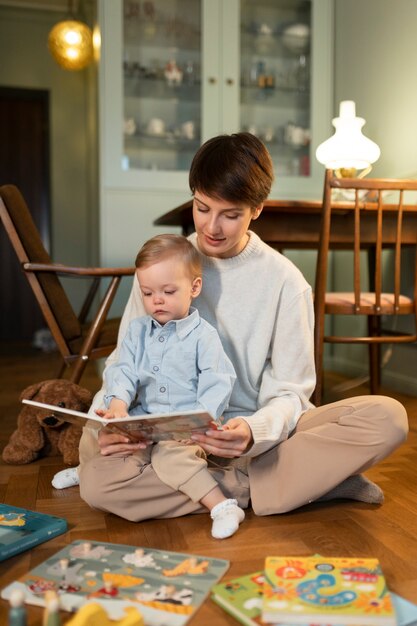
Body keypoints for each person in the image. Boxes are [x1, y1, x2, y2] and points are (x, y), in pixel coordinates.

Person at [57, 132, 407, 525]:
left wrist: (252, 431)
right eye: (202, 207)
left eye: (231, 214)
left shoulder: (286, 283)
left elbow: (292, 392)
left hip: (245, 433)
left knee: (388, 417)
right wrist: (112, 418)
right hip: (166, 430)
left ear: (257, 209)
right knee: (98, 471)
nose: (212, 227)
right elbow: (125, 360)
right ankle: (301, 483)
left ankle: (241, 482)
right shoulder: (164, 268)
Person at [95, 233, 244, 539]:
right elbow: (123, 370)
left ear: (194, 287)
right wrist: (118, 405)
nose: (157, 300)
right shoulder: (137, 331)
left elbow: (217, 380)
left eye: (168, 291)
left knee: (171, 457)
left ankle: (222, 505)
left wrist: (201, 421)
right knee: (93, 431)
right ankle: (88, 470)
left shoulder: (204, 336)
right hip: (142, 418)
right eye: (148, 293)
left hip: (182, 427)